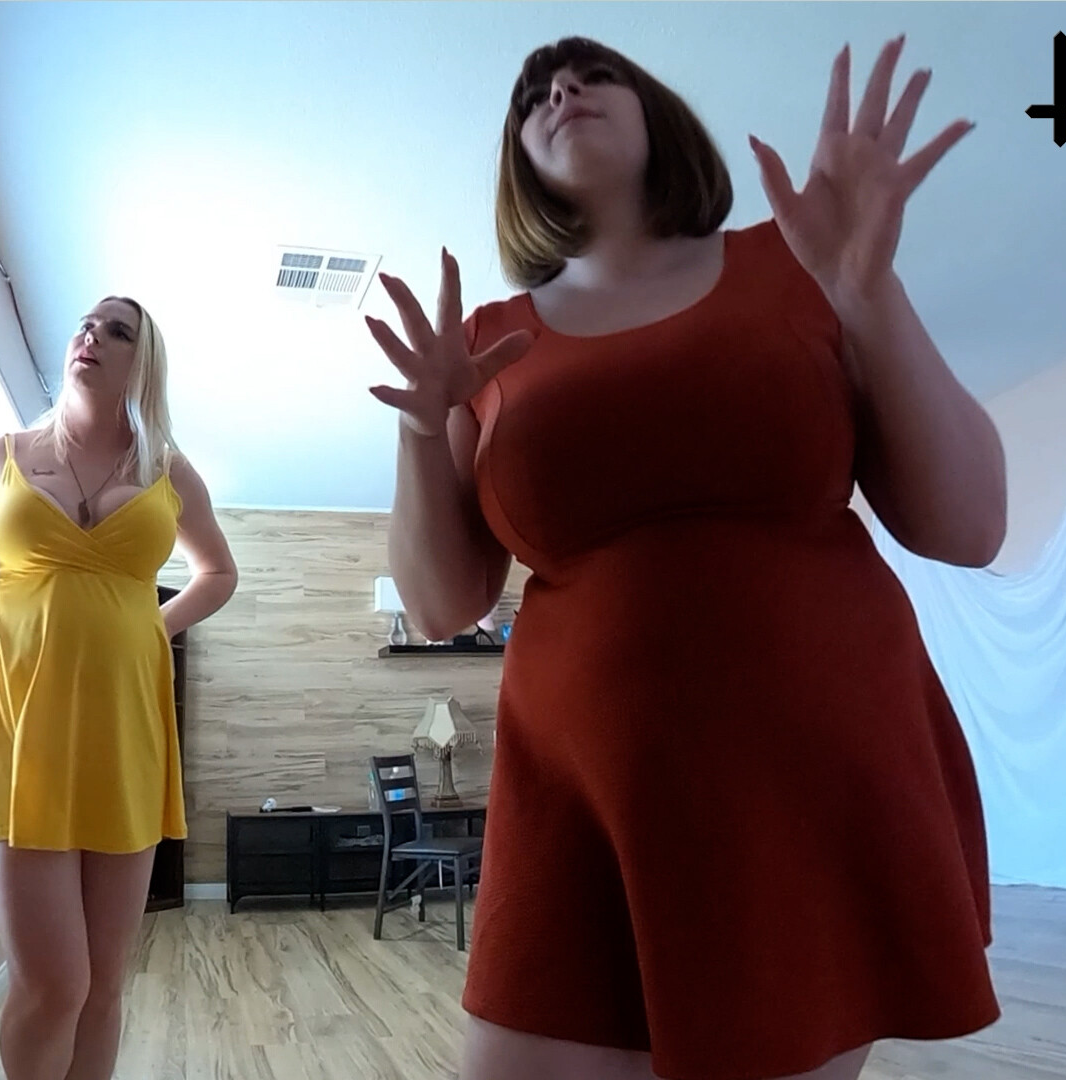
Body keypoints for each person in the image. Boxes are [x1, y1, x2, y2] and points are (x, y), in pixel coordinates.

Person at [365, 34, 1006, 1080]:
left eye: (592, 74)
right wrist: (418, 425)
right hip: (578, 793)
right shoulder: (485, 342)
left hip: (812, 769)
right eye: (533, 94)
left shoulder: (799, 260)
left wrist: (866, 290)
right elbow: (443, 604)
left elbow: (969, 526)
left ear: (655, 110)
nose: (560, 90)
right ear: (517, 160)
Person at [0, 296, 238, 1080]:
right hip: (16, 724)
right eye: (86, 325)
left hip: (123, 729)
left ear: (142, 363)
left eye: (117, 331)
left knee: (102, 986)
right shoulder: (7, 454)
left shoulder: (168, 470)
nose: (92, 336)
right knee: (54, 985)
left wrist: (149, 628)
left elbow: (218, 573)